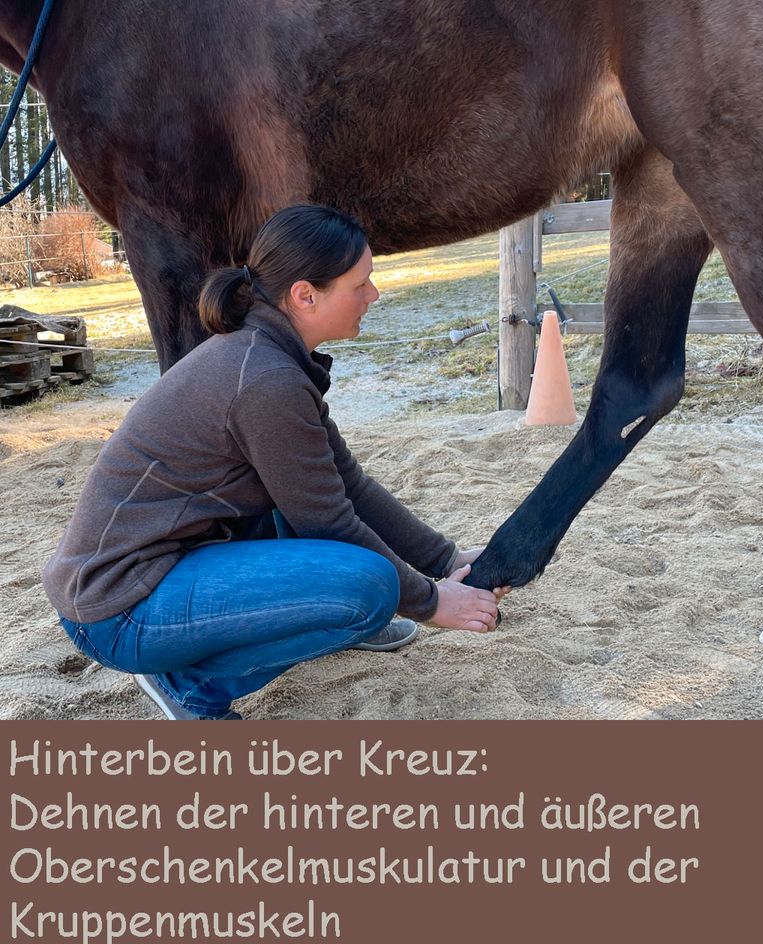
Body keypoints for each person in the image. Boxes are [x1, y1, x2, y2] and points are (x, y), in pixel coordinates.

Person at [43, 204, 507, 720]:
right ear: (305, 295)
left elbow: (346, 484)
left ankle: (339, 620)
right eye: (361, 284)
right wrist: (431, 601)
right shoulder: (265, 381)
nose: (373, 295)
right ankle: (188, 684)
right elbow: (328, 520)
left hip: (162, 569)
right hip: (121, 608)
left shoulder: (266, 355)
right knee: (369, 588)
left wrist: (447, 562)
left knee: (344, 559)